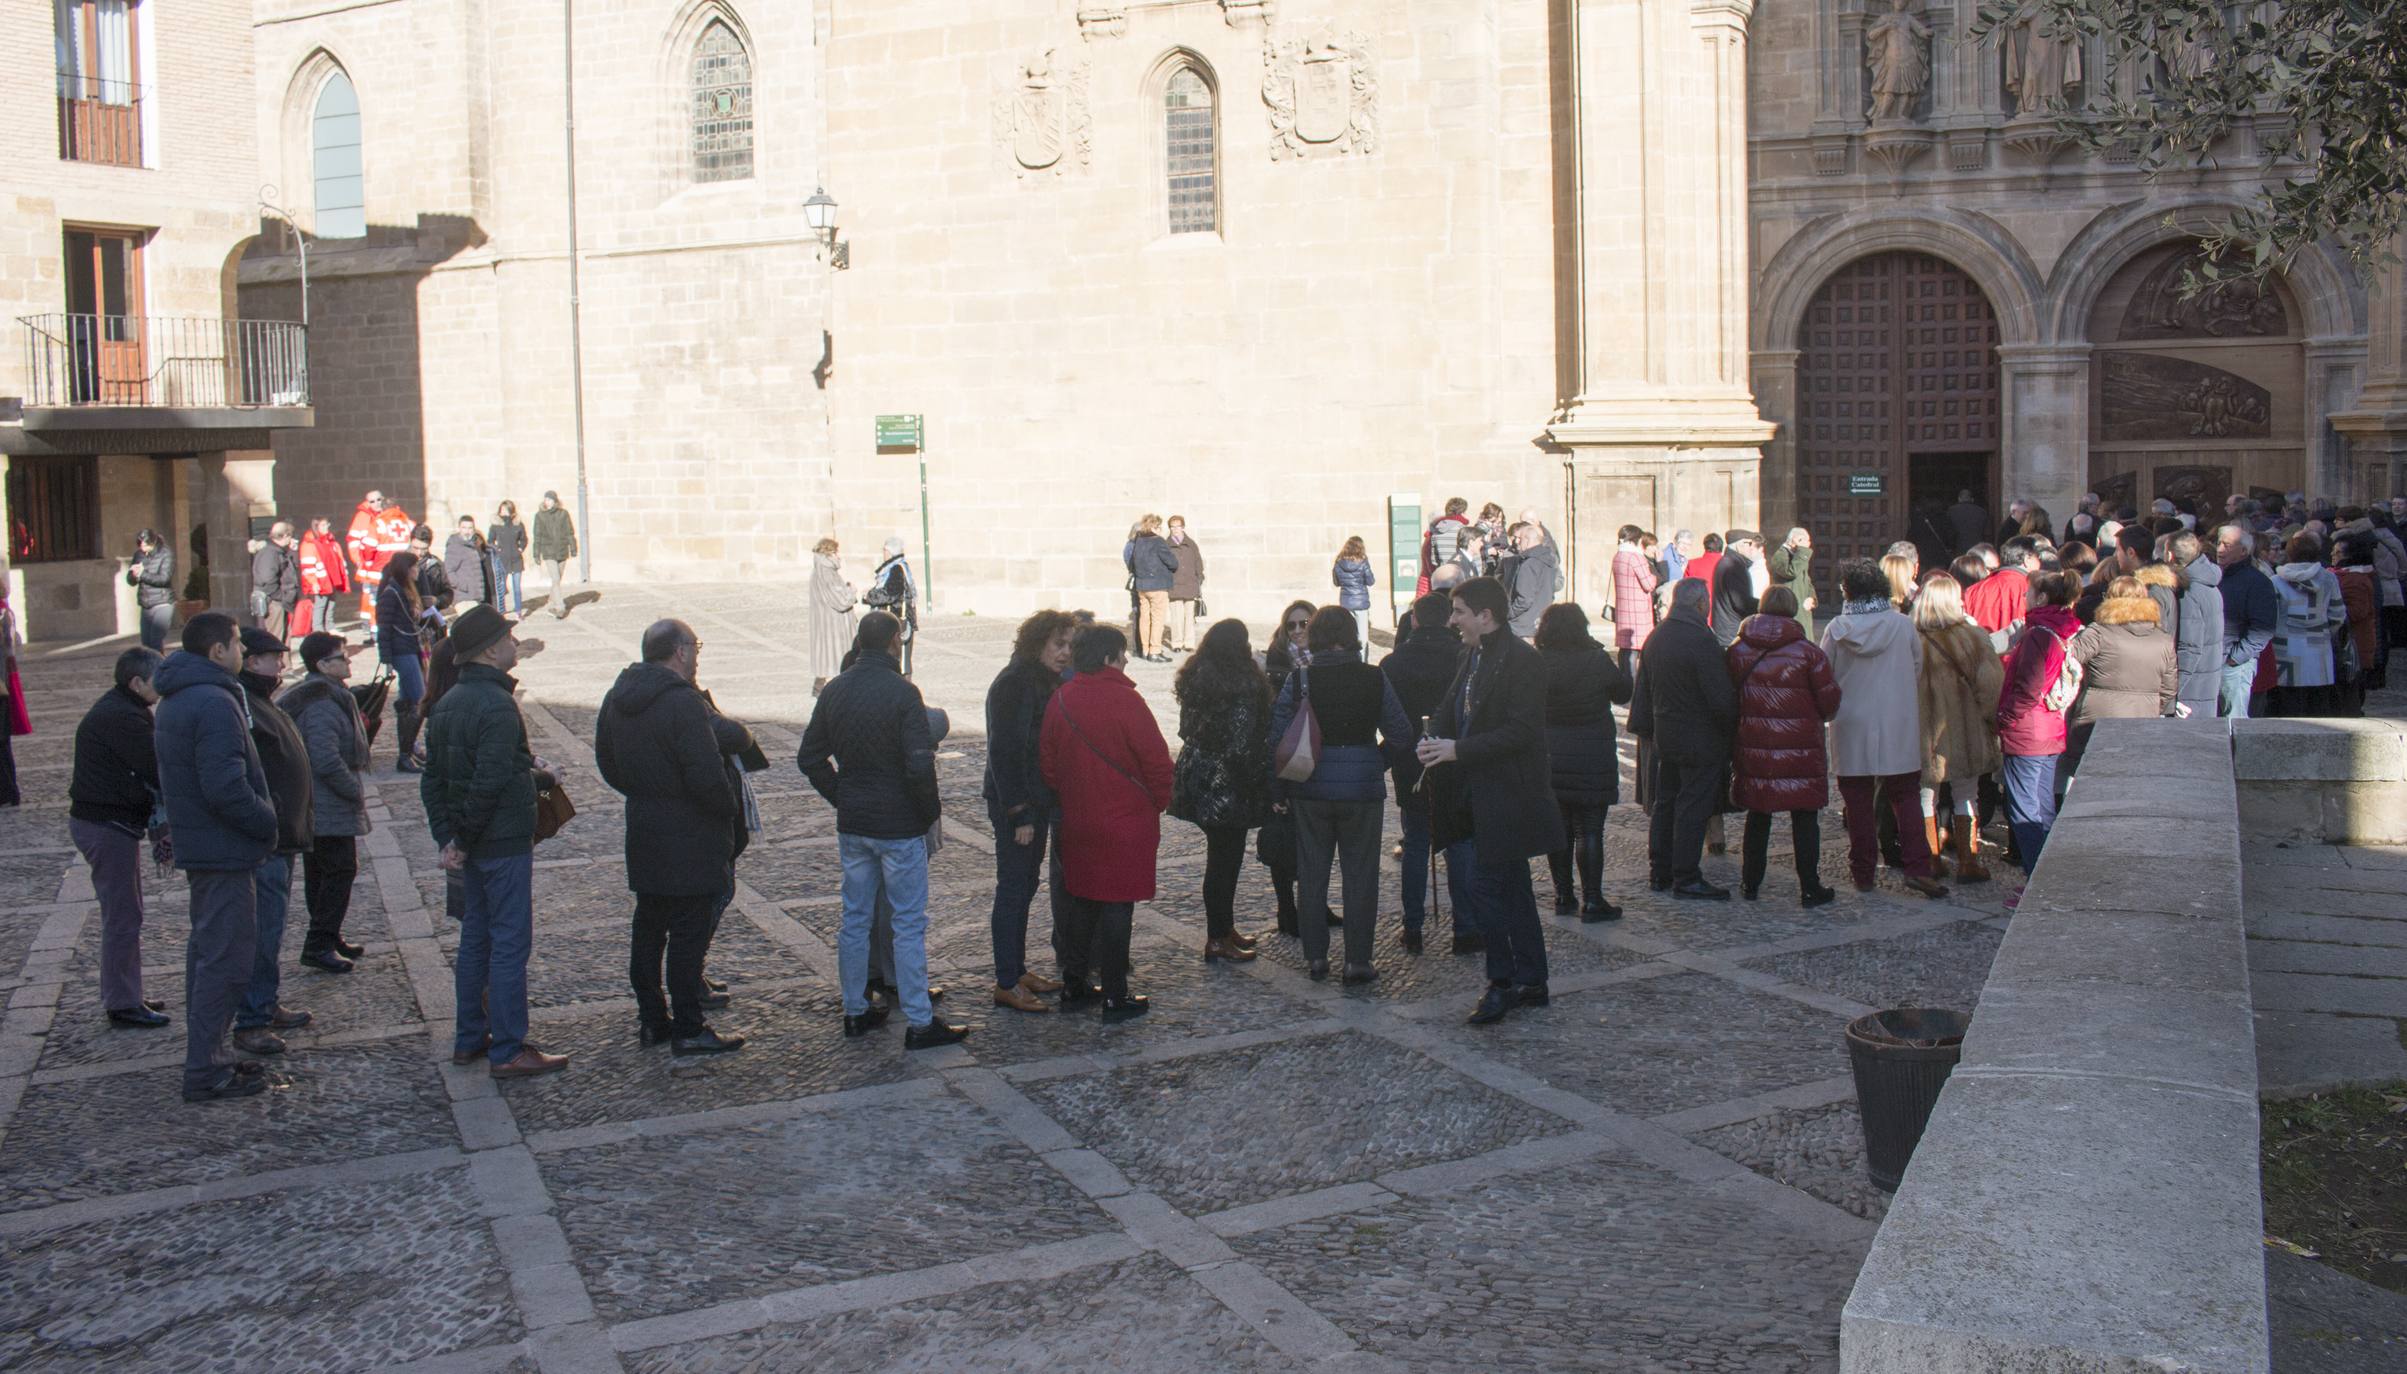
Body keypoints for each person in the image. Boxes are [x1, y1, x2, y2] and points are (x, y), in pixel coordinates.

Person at [798, 611, 967, 1046]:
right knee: (907, 922)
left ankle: (856, 1009)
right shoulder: (902, 693)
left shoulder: (835, 690)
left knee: (855, 919)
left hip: (855, 822)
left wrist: (843, 795)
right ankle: (919, 1020)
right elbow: (917, 764)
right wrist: (928, 811)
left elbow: (810, 757)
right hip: (897, 824)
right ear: (894, 641)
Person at [423, 606, 563, 1076]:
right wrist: (459, 838)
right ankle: (507, 1047)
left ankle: (469, 1038)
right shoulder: (496, 705)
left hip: (475, 842)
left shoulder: (447, 704)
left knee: (476, 941)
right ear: (488, 649)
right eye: (507, 637)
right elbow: (490, 780)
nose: (513, 644)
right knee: (507, 944)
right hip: (499, 842)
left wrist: (449, 838)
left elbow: (433, 782)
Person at [597, 620, 747, 1055]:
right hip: (690, 830)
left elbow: (606, 762)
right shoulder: (683, 703)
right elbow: (705, 773)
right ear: (679, 652)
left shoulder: (617, 697)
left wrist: (643, 791)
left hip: (644, 824)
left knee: (649, 928)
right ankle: (687, 1025)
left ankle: (651, 1021)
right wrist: (727, 810)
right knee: (687, 934)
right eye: (695, 646)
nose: (697, 654)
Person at [1418, 576, 1560, 1024]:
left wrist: (1457, 749)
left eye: (1460, 611)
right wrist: (1432, 738)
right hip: (1475, 793)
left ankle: (1502, 981)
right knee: (1511, 888)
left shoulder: (1523, 660)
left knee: (1489, 889)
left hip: (1508, 794)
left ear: (1485, 615)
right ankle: (1531, 979)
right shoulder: (1471, 654)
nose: (1453, 619)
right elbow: (1453, 708)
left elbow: (1522, 731)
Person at [154, 613, 279, 1102]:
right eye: (235, 645)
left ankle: (211, 1056)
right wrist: (267, 818)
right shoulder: (211, 701)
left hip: (208, 846)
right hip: (222, 849)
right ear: (215, 652)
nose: (243, 654)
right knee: (225, 960)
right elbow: (224, 785)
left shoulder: (186, 694)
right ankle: (205, 1067)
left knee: (211, 954)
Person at [1272, 607, 1415, 983]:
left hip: (1310, 785)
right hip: (1362, 788)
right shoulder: (1374, 677)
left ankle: (1316, 957)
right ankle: (1357, 961)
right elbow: (1401, 734)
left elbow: (1276, 737)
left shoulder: (1300, 679)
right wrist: (1372, 762)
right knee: (1361, 875)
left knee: (1312, 872)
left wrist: (1282, 786)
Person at [1040, 624, 1175, 1022]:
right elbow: (1156, 761)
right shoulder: (1127, 702)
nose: (1126, 659)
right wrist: (1158, 802)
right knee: (1117, 908)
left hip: (1078, 820)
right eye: (1121, 653)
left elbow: (1048, 765)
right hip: (1124, 822)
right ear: (1107, 658)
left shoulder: (1061, 699)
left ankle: (1074, 982)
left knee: (1081, 904)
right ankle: (1116, 994)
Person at [1821, 560, 1947, 899]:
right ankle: (1917, 867)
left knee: (1858, 800)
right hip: (1896, 718)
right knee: (1905, 796)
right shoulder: (1902, 625)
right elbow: (1916, 667)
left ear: (1848, 590)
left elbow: (1825, 673)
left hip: (1851, 720)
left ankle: (1863, 871)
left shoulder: (1837, 628)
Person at [984, 610, 1077, 1011]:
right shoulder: (1016, 683)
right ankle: (1006, 980)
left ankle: (1017, 969)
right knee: (1013, 888)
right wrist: (1019, 812)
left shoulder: (1040, 680)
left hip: (1037, 799)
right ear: (1038, 643)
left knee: (1026, 886)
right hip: (1017, 803)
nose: (1065, 653)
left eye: (1070, 645)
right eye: (1059, 644)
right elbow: (1005, 752)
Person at [230, 628, 316, 1058]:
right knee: (261, 932)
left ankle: (265, 1001)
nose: (281, 666)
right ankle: (252, 1019)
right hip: (266, 838)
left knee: (274, 927)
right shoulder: (242, 703)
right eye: (273, 658)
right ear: (250, 661)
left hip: (283, 835)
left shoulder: (260, 699)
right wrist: (268, 816)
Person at [71, 647, 167, 1027]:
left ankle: (127, 992)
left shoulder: (126, 709)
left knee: (127, 913)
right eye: (157, 680)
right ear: (137, 682)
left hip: (111, 822)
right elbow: (155, 766)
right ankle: (123, 1003)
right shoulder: (122, 718)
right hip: (107, 825)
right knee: (123, 916)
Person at [1726, 587, 1841, 905]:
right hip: (1800, 747)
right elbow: (1829, 701)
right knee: (1805, 818)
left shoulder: (1737, 651)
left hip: (1755, 745)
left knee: (1758, 816)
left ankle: (1750, 884)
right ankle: (1810, 886)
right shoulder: (1810, 654)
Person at [1169, 619, 1273, 963]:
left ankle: (1224, 928)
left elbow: (1185, 730)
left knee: (1221, 857)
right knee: (1224, 862)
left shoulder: (1197, 680)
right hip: (1228, 783)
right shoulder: (1243, 686)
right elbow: (1243, 745)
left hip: (1197, 775)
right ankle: (1217, 936)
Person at [1382, 590, 1475, 954]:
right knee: (1461, 842)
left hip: (1411, 759)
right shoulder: (1464, 656)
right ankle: (1466, 927)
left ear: (1416, 620)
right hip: (1456, 758)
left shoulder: (1392, 663)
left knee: (1417, 841)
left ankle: (1413, 926)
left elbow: (1389, 720)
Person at [1630, 579, 1736, 898]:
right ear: (1702, 604)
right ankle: (1686, 875)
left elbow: (1643, 691)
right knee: (1692, 805)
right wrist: (1731, 730)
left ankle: (1660, 870)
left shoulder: (1658, 635)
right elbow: (1720, 698)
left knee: (1666, 803)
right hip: (1698, 738)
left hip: (1667, 734)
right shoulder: (1700, 639)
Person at [280, 633, 370, 974]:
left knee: (321, 871)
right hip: (325, 803)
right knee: (339, 870)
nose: (348, 662)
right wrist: (353, 790)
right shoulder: (320, 703)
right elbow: (324, 757)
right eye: (341, 657)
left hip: (318, 802)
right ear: (322, 665)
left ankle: (328, 935)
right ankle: (319, 942)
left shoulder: (326, 695)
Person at [1534, 604, 1630, 920]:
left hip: (1551, 756)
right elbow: (1622, 693)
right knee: (1590, 829)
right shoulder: (1595, 659)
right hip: (1593, 756)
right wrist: (1624, 661)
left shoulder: (1540, 662)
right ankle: (1592, 899)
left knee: (1559, 829)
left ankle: (1563, 895)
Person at [1911, 575, 2002, 883]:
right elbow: (1991, 687)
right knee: (1967, 793)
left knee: (1925, 796)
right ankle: (1968, 861)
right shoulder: (1974, 637)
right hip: (1966, 728)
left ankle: (1931, 861)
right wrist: (1990, 721)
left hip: (1921, 730)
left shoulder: (1909, 639)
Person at [1996, 571, 2080, 904]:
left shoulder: (2038, 635)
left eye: (2029, 593)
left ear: (2042, 598)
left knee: (2025, 810)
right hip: (2050, 730)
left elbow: (2028, 687)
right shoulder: (2061, 627)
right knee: (2044, 807)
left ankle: (2037, 884)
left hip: (2028, 732)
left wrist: (2004, 718)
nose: (2025, 598)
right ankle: (2048, 877)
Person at [2066, 575, 2182, 765]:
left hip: (2096, 719)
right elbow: (2169, 689)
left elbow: (2066, 661)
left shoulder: (2098, 633)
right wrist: (2148, 704)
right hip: (2143, 719)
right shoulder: (2163, 640)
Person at [1258, 599, 1319, 934]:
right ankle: (1287, 909)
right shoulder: (1276, 664)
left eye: (1304, 623)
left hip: (1315, 757)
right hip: (1286, 757)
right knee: (1284, 839)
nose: (1297, 631)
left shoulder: (1324, 661)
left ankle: (1316, 904)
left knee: (1315, 840)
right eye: (1291, 625)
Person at [2269, 532, 2347, 717]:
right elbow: (2337, 614)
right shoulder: (2329, 579)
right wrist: (2326, 632)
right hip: (2319, 651)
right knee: (2318, 709)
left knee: (2289, 709)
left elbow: (2270, 618)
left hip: (2285, 653)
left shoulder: (2276, 581)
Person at [378, 550, 431, 772]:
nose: (418, 571)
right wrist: (387, 659)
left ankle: (408, 749)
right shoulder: (392, 592)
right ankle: (405, 752)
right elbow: (384, 626)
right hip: (402, 651)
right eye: (415, 567)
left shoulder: (408, 590)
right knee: (419, 700)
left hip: (413, 648)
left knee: (409, 701)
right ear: (405, 570)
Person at [345, 490, 415, 626]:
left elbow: (369, 547)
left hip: (377, 569)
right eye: (372, 501)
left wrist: (368, 562)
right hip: (394, 568)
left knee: (377, 600)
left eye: (378, 500)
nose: (376, 503)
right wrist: (358, 561)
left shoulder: (379, 523)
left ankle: (376, 630)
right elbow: (354, 541)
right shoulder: (406, 522)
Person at [864, 537, 922, 676]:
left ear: (890, 552)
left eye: (884, 550)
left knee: (899, 662)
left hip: (897, 621)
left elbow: (890, 593)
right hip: (895, 620)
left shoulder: (896, 568)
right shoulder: (896, 567)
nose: (883, 553)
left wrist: (869, 596)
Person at [807, 536, 858, 695]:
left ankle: (823, 689)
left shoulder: (820, 571)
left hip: (827, 624)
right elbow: (840, 601)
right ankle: (826, 692)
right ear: (828, 554)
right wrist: (851, 591)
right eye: (836, 553)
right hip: (833, 628)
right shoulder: (826, 573)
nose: (839, 556)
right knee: (834, 663)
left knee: (828, 664)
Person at [1123, 517, 1177, 663]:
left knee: (1144, 619)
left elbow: (1131, 562)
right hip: (1157, 585)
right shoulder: (1158, 541)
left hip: (1142, 585)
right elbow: (1173, 563)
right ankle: (1155, 650)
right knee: (1158, 619)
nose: (1160, 530)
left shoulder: (1138, 541)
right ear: (1153, 527)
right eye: (1158, 527)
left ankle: (1145, 650)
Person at [1499, 523, 1561, 639]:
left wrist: (1509, 614)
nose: (1517, 542)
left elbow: (1524, 599)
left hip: (1522, 627)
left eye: (1520, 539)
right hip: (1540, 622)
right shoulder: (1550, 560)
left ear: (1527, 540)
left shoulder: (1528, 564)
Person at [292, 517, 350, 637]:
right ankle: (318, 629)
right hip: (320, 580)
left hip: (332, 578)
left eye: (327, 524)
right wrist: (314, 582)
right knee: (320, 605)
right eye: (322, 525)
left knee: (331, 603)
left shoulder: (330, 541)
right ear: (316, 527)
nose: (326, 528)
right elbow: (308, 566)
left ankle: (330, 626)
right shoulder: (309, 544)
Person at [1610, 524, 1660, 653]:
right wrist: (1654, 576)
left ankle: (1624, 674)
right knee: (1635, 649)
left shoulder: (1618, 556)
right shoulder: (1636, 557)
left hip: (1623, 609)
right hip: (1637, 611)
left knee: (1625, 649)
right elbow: (1648, 585)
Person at [1711, 531, 1765, 647]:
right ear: (1740, 545)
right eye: (1750, 544)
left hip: (1728, 632)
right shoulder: (1733, 566)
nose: (1752, 548)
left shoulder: (1731, 562)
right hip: (1731, 635)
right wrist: (1766, 605)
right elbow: (1741, 603)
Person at [127, 529, 177, 651]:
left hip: (162, 602)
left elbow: (164, 579)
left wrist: (142, 574)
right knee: (146, 644)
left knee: (155, 642)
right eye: (140, 543)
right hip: (146, 603)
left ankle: (160, 667)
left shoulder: (166, 554)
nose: (142, 546)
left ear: (153, 542)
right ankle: (151, 668)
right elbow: (131, 581)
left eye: (145, 543)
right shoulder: (138, 555)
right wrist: (133, 575)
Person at [250, 522, 301, 638]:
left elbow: (293, 567)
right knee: (276, 638)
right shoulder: (269, 552)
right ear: (285, 536)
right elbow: (266, 579)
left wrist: (293, 550)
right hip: (274, 602)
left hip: (280, 601)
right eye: (290, 536)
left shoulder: (279, 551)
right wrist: (281, 597)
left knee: (283, 637)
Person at [532, 490, 579, 618]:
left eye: (549, 499)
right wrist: (536, 554)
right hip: (548, 551)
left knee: (557, 581)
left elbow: (570, 532)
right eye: (546, 499)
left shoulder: (563, 514)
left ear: (555, 501)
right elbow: (537, 536)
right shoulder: (540, 516)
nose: (547, 502)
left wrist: (573, 547)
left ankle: (551, 604)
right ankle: (560, 607)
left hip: (562, 550)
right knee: (556, 578)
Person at [1163, 516, 1205, 653]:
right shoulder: (1166, 544)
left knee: (1189, 615)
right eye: (1172, 526)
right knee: (1176, 616)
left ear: (1183, 527)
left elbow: (1198, 561)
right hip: (1174, 585)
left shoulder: (1191, 544)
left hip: (1190, 584)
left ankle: (1189, 642)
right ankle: (1177, 643)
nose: (1175, 529)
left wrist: (1199, 577)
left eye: (1177, 526)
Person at [1333, 536, 1379, 648]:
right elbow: (1370, 581)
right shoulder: (1363, 562)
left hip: (1346, 603)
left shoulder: (1338, 562)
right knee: (1362, 637)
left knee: (1348, 635)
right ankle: (1362, 661)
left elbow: (1336, 582)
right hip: (1360, 603)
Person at [1418, 498, 1471, 596]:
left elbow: (1433, 560)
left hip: (1441, 580)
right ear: (1462, 512)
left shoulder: (1436, 531)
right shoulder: (1463, 531)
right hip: (1459, 579)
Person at [443, 515, 497, 610]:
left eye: (470, 528)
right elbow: (448, 571)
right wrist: (464, 586)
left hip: (475, 597)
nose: (467, 531)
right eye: (464, 528)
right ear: (459, 528)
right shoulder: (455, 546)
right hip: (463, 598)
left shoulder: (471, 545)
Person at [1768, 528, 1816, 624]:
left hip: (1802, 608)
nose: (1808, 544)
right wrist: (1802, 551)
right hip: (1789, 609)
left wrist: (1811, 597)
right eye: (1805, 540)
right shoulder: (1780, 555)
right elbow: (1791, 572)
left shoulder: (1797, 556)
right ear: (1796, 539)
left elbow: (1806, 580)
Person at [488, 501, 528, 615]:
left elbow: (524, 539)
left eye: (505, 509)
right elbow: (490, 540)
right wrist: (498, 549)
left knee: (517, 587)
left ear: (511, 510)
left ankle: (518, 611)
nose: (503, 511)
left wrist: (520, 548)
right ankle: (501, 609)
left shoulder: (518, 524)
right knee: (501, 586)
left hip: (516, 559)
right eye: (501, 509)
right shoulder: (496, 524)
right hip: (502, 559)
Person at [412, 525, 456, 619]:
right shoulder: (399, 563)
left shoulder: (437, 565)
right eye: (415, 548)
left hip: (430, 619)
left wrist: (437, 600)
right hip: (407, 621)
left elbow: (449, 593)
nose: (419, 553)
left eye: (424, 549)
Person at [1947, 490, 1990, 554]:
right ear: (1972, 500)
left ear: (1959, 499)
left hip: (1959, 549)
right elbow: (1987, 533)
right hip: (1977, 550)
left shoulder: (1951, 511)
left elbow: (1949, 532)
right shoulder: (1981, 512)